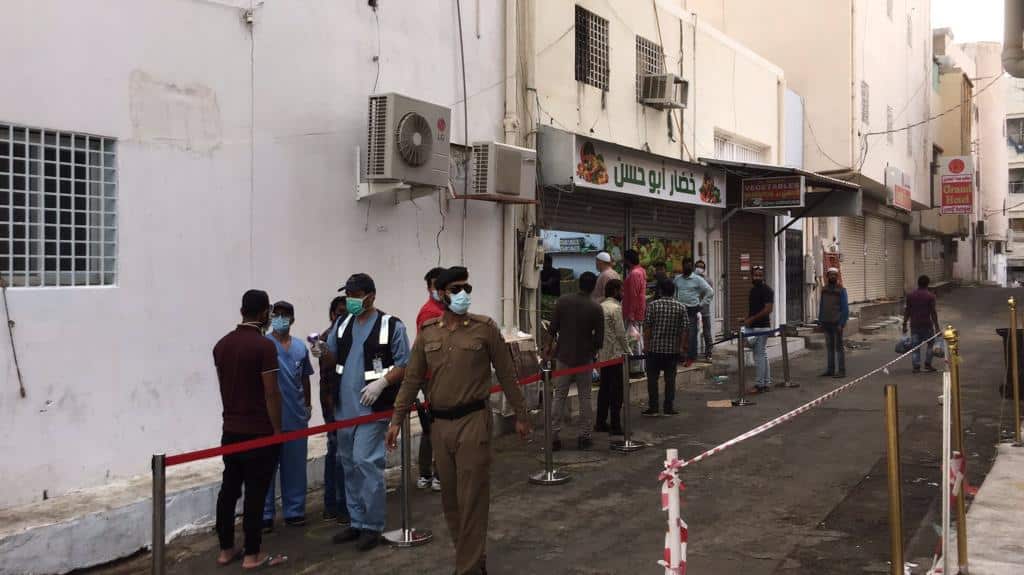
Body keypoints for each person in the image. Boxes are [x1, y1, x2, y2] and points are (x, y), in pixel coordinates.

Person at [386, 266, 532, 575]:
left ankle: (466, 568)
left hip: (473, 421)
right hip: (440, 425)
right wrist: (396, 419)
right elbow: (412, 379)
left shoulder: (484, 328)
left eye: (467, 288)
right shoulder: (428, 332)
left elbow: (507, 374)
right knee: (451, 502)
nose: (463, 294)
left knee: (473, 498)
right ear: (441, 294)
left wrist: (521, 414)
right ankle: (474, 560)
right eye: (456, 289)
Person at [327, 273, 410, 551]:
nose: (350, 300)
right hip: (345, 409)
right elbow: (332, 356)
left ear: (371, 296)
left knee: (366, 462)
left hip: (372, 410)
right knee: (348, 465)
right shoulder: (342, 324)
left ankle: (372, 526)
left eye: (355, 295)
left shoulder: (391, 325)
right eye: (348, 295)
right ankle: (357, 521)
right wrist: (320, 351)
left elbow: (404, 364)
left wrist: (382, 383)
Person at [212, 289, 287, 569]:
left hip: (231, 429)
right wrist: (277, 431)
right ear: (264, 312)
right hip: (258, 431)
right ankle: (252, 554)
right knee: (255, 494)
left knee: (229, 490)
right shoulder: (264, 347)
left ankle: (225, 549)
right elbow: (271, 393)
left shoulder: (222, 345)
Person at [261, 301, 314, 531]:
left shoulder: (300, 347)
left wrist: (308, 406)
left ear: (292, 319)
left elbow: (305, 378)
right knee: (265, 469)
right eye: (276, 314)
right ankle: (264, 514)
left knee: (295, 468)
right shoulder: (264, 345)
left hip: (295, 417)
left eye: (285, 315)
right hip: (269, 419)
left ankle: (294, 511)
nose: (280, 319)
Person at [548, 271, 605, 450]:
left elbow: (552, 329)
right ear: (594, 287)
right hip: (584, 357)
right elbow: (599, 340)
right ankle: (584, 436)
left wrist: (547, 350)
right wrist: (592, 351)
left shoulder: (562, 301)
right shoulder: (596, 308)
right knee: (585, 397)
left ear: (579, 283)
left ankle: (553, 436)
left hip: (563, 356)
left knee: (559, 396)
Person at [315, 296, 349, 525]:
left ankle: (335, 504)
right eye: (339, 312)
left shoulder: (350, 335)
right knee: (337, 454)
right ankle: (337, 505)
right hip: (334, 405)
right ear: (331, 314)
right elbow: (329, 375)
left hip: (347, 405)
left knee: (338, 453)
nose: (343, 317)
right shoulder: (328, 338)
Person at [415, 267, 447, 492]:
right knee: (437, 426)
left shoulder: (445, 309)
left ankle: (429, 473)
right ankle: (434, 474)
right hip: (433, 377)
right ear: (429, 288)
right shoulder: (430, 312)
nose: (439, 289)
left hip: (441, 375)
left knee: (434, 426)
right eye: (436, 285)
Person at [642, 279, 688, 416]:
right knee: (670, 380)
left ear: (661, 291)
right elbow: (684, 329)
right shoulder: (681, 307)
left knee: (652, 380)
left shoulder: (652, 305)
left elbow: (648, 327)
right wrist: (681, 347)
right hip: (672, 350)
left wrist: (646, 345)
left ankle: (654, 408)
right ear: (673, 292)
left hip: (654, 349)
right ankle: (668, 407)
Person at [595, 279, 630, 435]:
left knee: (604, 389)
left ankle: (600, 422)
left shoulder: (600, 307)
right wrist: (628, 351)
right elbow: (621, 333)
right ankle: (616, 425)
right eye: (621, 291)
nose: (623, 294)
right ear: (615, 291)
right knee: (617, 392)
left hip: (603, 355)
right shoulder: (615, 308)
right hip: (616, 355)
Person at [672, 258, 713, 367]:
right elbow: (673, 292)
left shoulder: (697, 279)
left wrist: (701, 305)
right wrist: (675, 301)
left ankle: (691, 357)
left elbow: (710, 292)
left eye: (689, 265)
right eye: (686, 265)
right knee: (680, 334)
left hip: (692, 309)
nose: (687, 267)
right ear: (682, 266)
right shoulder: (677, 279)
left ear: (692, 267)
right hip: (679, 309)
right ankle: (681, 356)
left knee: (691, 334)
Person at [745, 265, 775, 393]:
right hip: (754, 326)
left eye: (760, 275)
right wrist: (746, 319)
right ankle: (766, 382)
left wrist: (752, 319)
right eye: (755, 275)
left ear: (763, 276)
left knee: (759, 356)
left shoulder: (767, 290)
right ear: (752, 276)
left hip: (761, 327)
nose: (757, 277)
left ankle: (760, 385)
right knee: (762, 355)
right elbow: (754, 309)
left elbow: (768, 309)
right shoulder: (753, 290)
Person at [903, 274, 940, 373]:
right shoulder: (930, 296)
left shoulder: (911, 296)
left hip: (915, 325)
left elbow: (907, 311)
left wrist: (904, 324)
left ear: (918, 283)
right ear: (928, 284)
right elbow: (933, 313)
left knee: (915, 347)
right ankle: (927, 364)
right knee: (931, 344)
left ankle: (916, 367)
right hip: (927, 325)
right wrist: (937, 327)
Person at [818, 268, 849, 378]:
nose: (833, 277)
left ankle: (841, 371)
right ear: (827, 276)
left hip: (836, 324)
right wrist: (820, 320)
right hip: (826, 322)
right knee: (829, 348)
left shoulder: (841, 290)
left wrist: (842, 323)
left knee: (839, 348)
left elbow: (845, 309)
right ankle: (830, 370)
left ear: (837, 276)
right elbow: (822, 306)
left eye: (835, 275)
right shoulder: (824, 289)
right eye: (831, 275)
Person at [622, 249, 648, 373]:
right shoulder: (640, 271)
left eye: (624, 260)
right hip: (636, 311)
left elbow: (634, 295)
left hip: (633, 313)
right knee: (637, 339)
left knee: (634, 341)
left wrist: (631, 314)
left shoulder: (634, 273)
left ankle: (636, 369)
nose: (623, 262)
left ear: (628, 260)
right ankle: (639, 368)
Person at [694, 260, 714, 361]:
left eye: (701, 267)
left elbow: (709, 295)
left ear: (704, 269)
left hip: (704, 311)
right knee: (692, 332)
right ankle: (692, 353)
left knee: (707, 333)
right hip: (693, 310)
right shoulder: (692, 279)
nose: (699, 268)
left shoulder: (708, 280)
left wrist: (701, 304)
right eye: (698, 266)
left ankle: (708, 353)